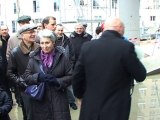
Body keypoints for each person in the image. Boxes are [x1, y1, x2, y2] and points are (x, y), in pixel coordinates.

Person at [72, 17, 147, 120]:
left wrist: (79, 96)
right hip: (116, 109)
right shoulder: (126, 47)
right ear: (120, 28)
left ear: (105, 29)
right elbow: (140, 75)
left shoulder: (87, 46)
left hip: (90, 106)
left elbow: (77, 76)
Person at [23, 29, 72, 120]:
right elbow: (26, 77)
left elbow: (71, 76)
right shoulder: (34, 58)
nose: (44, 46)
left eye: (47, 43)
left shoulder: (62, 57)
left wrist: (57, 81)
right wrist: (37, 77)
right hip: (41, 100)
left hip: (59, 100)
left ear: (53, 43)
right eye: (42, 43)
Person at [7, 24, 39, 120]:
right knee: (29, 115)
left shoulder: (40, 48)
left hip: (42, 86)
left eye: (34, 32)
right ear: (22, 35)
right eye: (30, 32)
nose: (33, 34)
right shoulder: (15, 52)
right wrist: (21, 82)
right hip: (26, 89)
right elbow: (10, 73)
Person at [55, 24, 78, 110]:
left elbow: (72, 54)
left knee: (69, 85)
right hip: (55, 66)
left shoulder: (68, 40)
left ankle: (71, 102)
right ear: (55, 30)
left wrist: (71, 64)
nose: (60, 32)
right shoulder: (52, 40)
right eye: (58, 30)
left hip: (67, 67)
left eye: (61, 30)